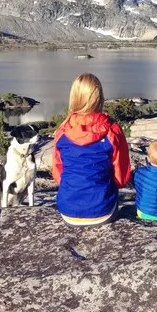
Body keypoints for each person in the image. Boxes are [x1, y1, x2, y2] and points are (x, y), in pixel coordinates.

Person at [52, 73, 131, 226]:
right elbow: (121, 177)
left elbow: (58, 174)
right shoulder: (112, 130)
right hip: (103, 211)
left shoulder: (62, 131)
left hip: (68, 211)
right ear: (99, 97)